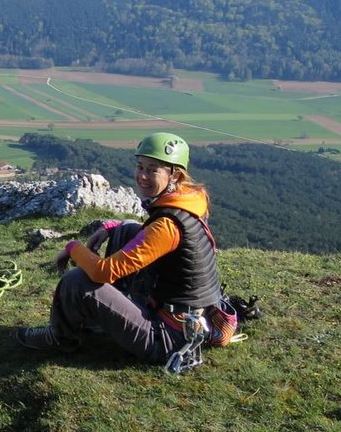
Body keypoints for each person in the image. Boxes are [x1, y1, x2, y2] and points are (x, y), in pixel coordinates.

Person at [17, 132, 230, 371]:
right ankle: (108, 313)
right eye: (140, 166)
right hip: (184, 316)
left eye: (152, 170)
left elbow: (102, 272)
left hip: (168, 338)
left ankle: (59, 336)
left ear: (175, 175)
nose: (142, 176)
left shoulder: (167, 225)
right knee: (127, 229)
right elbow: (150, 236)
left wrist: (72, 248)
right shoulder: (189, 201)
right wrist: (112, 227)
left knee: (76, 281)